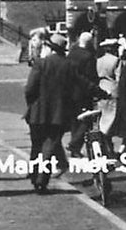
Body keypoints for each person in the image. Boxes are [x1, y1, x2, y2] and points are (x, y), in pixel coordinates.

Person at [24, 33, 76, 193]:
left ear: (49, 48)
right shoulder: (68, 65)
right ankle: (41, 180)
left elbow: (30, 88)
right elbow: (73, 89)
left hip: (38, 112)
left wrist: (32, 105)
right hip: (58, 114)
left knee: (36, 145)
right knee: (49, 146)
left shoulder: (40, 63)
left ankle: (34, 175)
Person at [66, 32, 99, 158]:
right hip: (83, 93)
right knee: (87, 119)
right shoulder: (88, 56)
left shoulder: (71, 54)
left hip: (70, 92)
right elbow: (91, 76)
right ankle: (75, 144)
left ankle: (75, 149)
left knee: (75, 120)